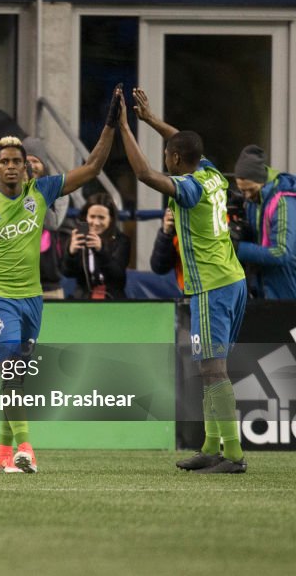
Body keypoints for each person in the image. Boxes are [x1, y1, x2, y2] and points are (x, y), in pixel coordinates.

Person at [0, 88, 118, 474]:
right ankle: (26, 450)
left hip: (33, 298)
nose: (13, 167)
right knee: (12, 371)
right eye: (6, 162)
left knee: (16, 376)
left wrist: (111, 126)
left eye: (18, 161)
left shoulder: (42, 192)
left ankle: (1, 452)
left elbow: (93, 168)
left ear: (28, 168)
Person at [117, 88, 247, 474]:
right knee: (211, 366)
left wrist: (124, 127)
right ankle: (210, 447)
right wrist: (152, 120)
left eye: (168, 155)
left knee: (212, 368)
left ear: (174, 160)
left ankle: (234, 454)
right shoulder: (212, 175)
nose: (165, 158)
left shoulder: (190, 187)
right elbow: (183, 143)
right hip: (233, 279)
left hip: (211, 285)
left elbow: (143, 174)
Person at [232, 145, 296, 299]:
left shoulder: (283, 201)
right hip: (264, 291)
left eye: (251, 190)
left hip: (287, 292)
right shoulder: (256, 199)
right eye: (242, 190)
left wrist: (237, 248)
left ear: (263, 181)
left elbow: (281, 253)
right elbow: (259, 240)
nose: (246, 196)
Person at [61, 193, 130, 300]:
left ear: (110, 219)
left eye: (101, 217)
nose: (96, 222)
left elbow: (118, 276)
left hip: (113, 301)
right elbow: (68, 273)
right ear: (86, 217)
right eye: (92, 217)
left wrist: (101, 250)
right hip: (84, 301)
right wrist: (71, 254)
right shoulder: (77, 238)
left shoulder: (121, 240)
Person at [22, 137, 67, 299]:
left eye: (36, 161)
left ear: (44, 165)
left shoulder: (58, 191)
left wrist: (32, 190)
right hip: (17, 285)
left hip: (49, 287)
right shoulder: (7, 191)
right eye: (26, 161)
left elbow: (52, 223)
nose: (31, 166)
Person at [149, 207, 185, 293]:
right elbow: (159, 267)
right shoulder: (179, 225)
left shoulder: (220, 218)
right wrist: (166, 233)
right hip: (191, 295)